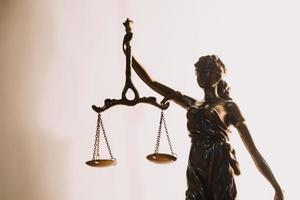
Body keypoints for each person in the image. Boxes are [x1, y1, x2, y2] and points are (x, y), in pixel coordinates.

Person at [131, 55, 284, 200]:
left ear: (218, 75)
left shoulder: (229, 107)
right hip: (196, 160)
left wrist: (276, 187)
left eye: (206, 71)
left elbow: (253, 151)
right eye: (199, 72)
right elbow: (152, 82)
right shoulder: (192, 103)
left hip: (218, 161)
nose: (202, 75)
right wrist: (129, 54)